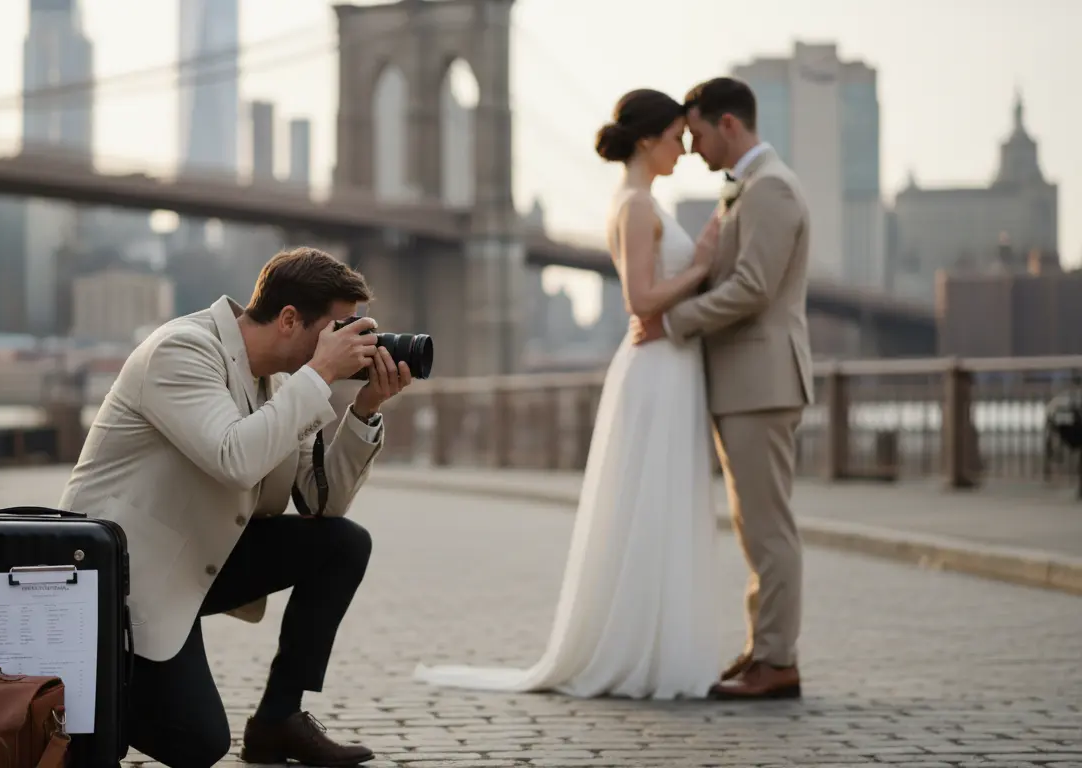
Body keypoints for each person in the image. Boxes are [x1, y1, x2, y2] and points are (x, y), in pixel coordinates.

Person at [413, 88, 723, 700]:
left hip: (669, 364)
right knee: (650, 507)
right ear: (645, 140)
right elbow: (640, 300)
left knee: (658, 507)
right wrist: (702, 265)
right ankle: (640, 652)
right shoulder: (636, 206)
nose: (683, 150)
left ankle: (660, 646)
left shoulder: (642, 203)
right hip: (657, 365)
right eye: (674, 139)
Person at [58, 247, 413, 767]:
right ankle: (92, 697)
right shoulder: (183, 350)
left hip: (199, 558)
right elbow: (234, 457)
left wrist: (364, 409)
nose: (348, 343)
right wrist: (319, 378)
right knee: (199, 743)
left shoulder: (285, 380)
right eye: (338, 330)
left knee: (342, 543)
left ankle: (277, 721)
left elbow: (323, 502)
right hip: (126, 578)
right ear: (290, 319)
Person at [639, 77, 814, 700]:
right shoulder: (750, 189)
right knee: (755, 524)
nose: (694, 147)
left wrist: (675, 321)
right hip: (747, 380)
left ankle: (777, 660)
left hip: (761, 380)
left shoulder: (770, 189)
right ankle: (763, 648)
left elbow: (754, 289)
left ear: (730, 126)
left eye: (700, 133)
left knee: (769, 527)